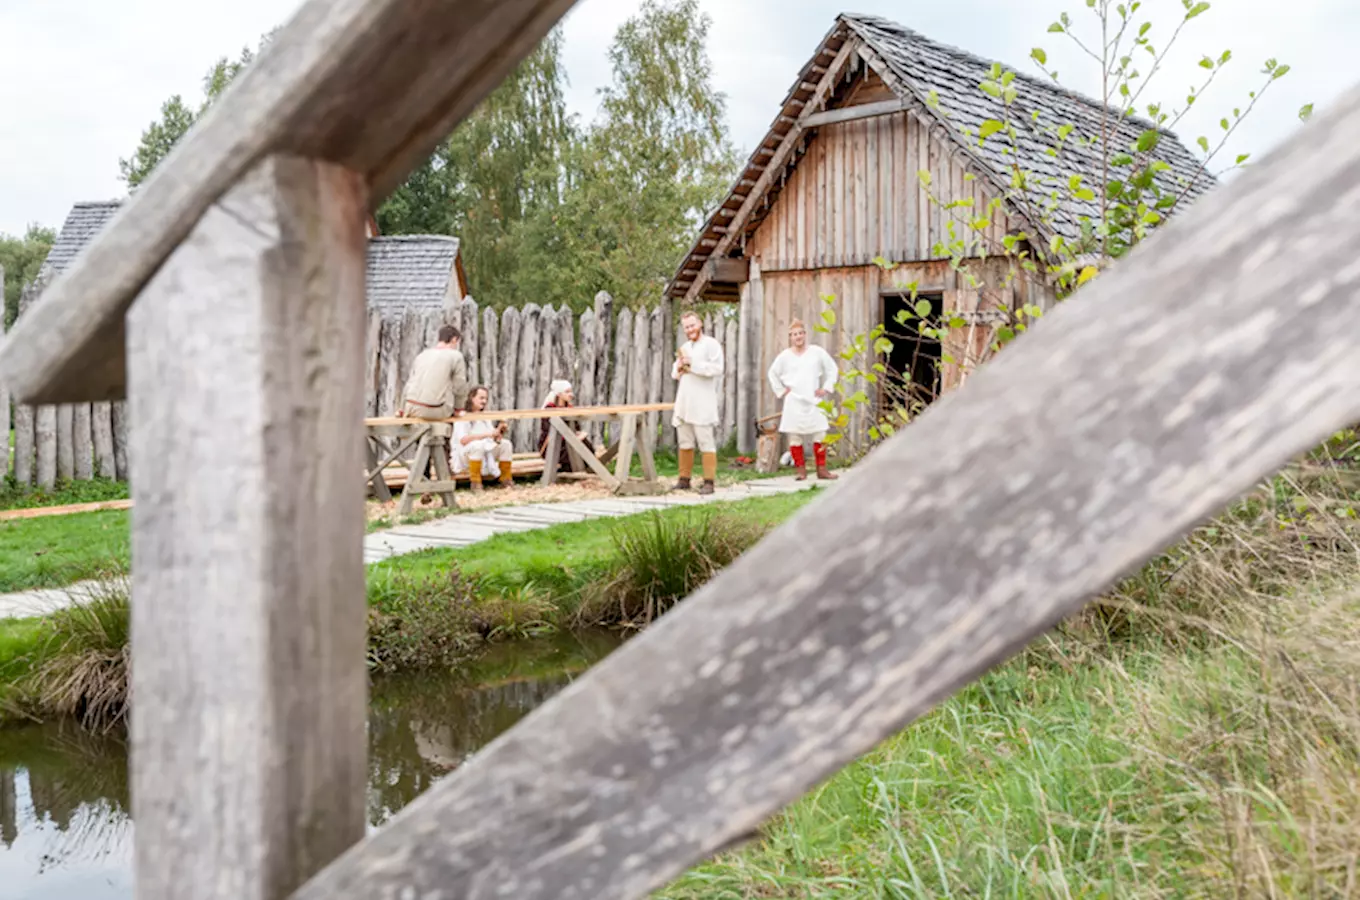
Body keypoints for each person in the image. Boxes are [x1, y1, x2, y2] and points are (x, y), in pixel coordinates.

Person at [767, 318, 839, 481]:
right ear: (790, 337)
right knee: (795, 437)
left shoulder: (817, 352)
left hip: (814, 399)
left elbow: (832, 369)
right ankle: (801, 471)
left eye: (800, 333)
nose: (798, 337)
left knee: (820, 435)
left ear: (805, 335)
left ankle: (822, 470)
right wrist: (781, 390)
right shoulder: (784, 356)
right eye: (794, 334)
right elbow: (772, 373)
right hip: (794, 400)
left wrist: (826, 388)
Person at [671, 311, 724, 495]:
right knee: (685, 440)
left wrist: (694, 365)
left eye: (692, 325)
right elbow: (674, 374)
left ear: (700, 324)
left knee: (705, 441)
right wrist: (679, 367)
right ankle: (684, 479)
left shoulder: (711, 345)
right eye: (686, 327)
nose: (690, 329)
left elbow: (717, 368)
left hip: (703, 401)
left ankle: (709, 482)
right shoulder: (684, 347)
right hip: (685, 399)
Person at [396, 325, 469, 420]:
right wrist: (459, 408)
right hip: (434, 408)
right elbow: (459, 385)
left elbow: (409, 383)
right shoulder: (456, 356)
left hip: (410, 407)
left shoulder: (422, 355)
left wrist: (401, 409)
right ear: (454, 340)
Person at [450, 385, 513, 491]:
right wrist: (487, 435)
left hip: (485, 452)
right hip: (466, 454)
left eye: (486, 399)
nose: (484, 401)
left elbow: (492, 439)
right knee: (477, 445)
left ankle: (505, 479)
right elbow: (463, 440)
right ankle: (476, 483)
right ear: (472, 398)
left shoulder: (484, 416)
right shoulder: (463, 416)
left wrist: (499, 431)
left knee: (506, 444)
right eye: (481, 398)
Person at [538, 379, 594, 473]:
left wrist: (578, 435)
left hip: (568, 442)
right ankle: (568, 471)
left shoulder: (569, 408)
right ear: (559, 394)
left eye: (570, 391)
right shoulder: (550, 409)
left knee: (586, 445)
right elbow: (550, 431)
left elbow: (576, 428)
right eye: (567, 392)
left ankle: (583, 470)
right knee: (574, 450)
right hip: (553, 444)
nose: (571, 394)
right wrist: (572, 437)